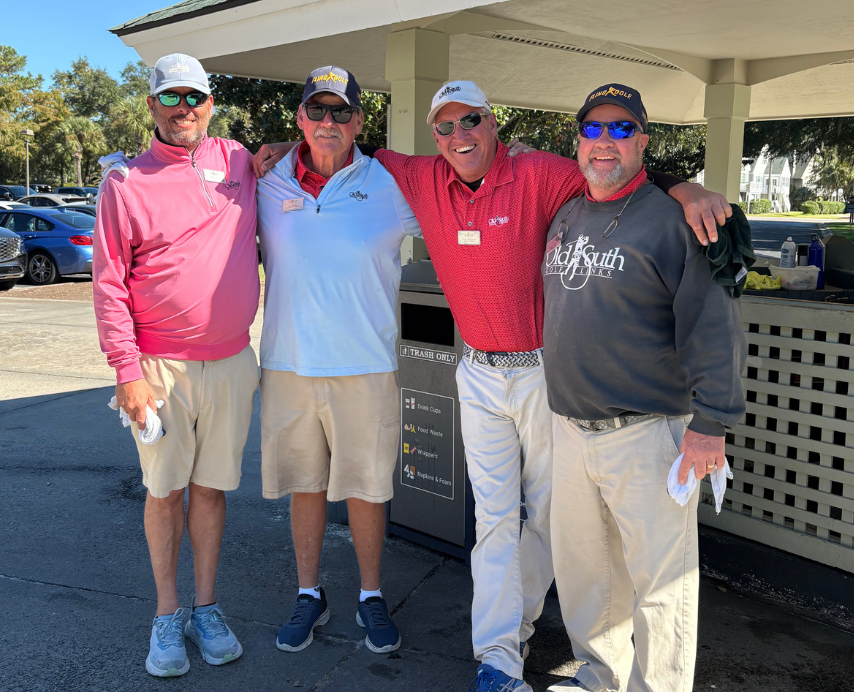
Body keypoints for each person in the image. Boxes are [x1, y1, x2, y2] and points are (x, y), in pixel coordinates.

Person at [254, 81, 730, 692]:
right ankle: (499, 657)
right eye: (446, 127)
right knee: (496, 520)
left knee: (557, 522)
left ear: (493, 122)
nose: (460, 137)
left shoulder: (540, 172)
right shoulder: (420, 177)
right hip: (477, 373)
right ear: (434, 136)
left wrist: (683, 187)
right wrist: (275, 146)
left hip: (542, 371)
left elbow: (610, 170)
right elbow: (344, 144)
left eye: (472, 121)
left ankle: (541, 633)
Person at [541, 85, 746, 692]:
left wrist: (711, 425)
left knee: (662, 588)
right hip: (571, 429)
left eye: (623, 130)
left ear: (644, 143)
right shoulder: (568, 212)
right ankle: (599, 679)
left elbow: (715, 324)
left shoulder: (674, 219)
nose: (607, 142)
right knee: (588, 577)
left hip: (648, 433)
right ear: (579, 141)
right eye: (595, 129)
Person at [93, 54, 259, 677]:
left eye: (194, 97)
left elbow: (285, 159)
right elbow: (109, 284)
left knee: (211, 492)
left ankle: (206, 609)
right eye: (171, 97)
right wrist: (125, 371)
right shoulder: (124, 182)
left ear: (210, 103)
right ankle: (168, 617)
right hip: (159, 368)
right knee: (164, 493)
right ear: (152, 107)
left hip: (234, 362)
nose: (183, 107)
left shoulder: (239, 160)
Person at [256, 66, 421, 655]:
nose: (329, 122)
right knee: (305, 483)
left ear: (359, 120)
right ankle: (309, 593)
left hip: (366, 363)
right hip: (288, 363)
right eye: (317, 111)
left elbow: (457, 210)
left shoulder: (390, 184)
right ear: (300, 117)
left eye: (342, 112)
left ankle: (370, 596)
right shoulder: (266, 181)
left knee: (368, 487)